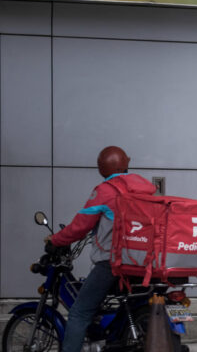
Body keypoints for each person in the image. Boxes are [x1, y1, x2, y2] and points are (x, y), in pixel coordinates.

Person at [44, 146, 156, 352]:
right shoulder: (146, 189)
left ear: (101, 169)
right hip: (143, 262)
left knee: (79, 312)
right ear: (127, 164)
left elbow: (80, 226)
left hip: (113, 263)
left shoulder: (105, 191)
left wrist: (56, 240)